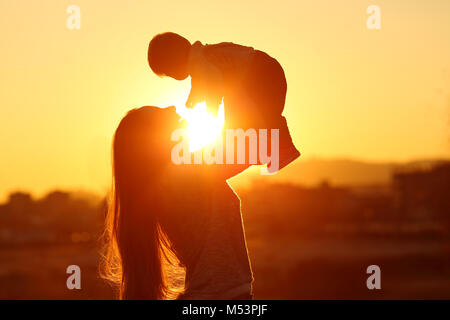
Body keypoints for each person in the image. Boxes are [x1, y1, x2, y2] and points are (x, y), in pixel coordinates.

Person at [101, 106, 255, 299]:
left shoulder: (178, 176)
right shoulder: (181, 176)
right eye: (160, 113)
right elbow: (250, 147)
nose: (172, 108)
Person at [147, 32, 300, 172]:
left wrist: (211, 110)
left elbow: (214, 84)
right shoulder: (201, 58)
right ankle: (273, 148)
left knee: (245, 115)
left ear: (175, 60)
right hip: (265, 70)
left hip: (259, 74)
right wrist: (193, 99)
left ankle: (277, 148)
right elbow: (201, 83)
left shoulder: (201, 63)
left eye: (169, 72)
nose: (173, 77)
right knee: (257, 116)